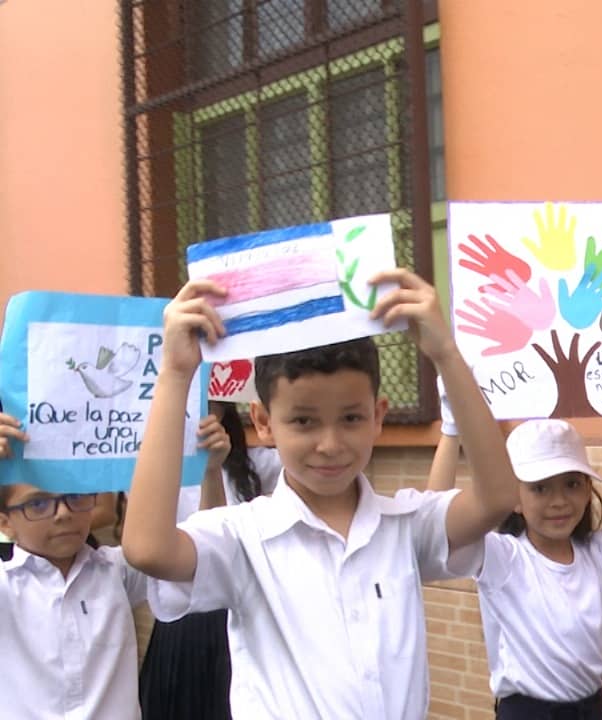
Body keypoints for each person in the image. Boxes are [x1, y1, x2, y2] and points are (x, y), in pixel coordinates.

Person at [122, 270, 520, 719]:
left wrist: (445, 352)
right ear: (263, 422)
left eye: (351, 418)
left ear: (378, 415)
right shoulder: (244, 539)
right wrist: (176, 373)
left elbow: (496, 497)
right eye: (304, 421)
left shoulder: (405, 525)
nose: (330, 445)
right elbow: (147, 548)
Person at [431, 377, 602, 718]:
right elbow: (434, 521)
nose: (559, 500)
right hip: (527, 712)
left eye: (572, 483)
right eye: (540, 488)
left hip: (592, 708)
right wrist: (451, 430)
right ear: (514, 497)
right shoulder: (503, 557)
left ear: (588, 489)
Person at [0, 409, 224, 719]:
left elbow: (204, 551)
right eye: (37, 503)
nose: (63, 513)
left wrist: (210, 472)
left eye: (76, 497)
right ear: (5, 523)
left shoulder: (116, 570)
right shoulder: (6, 585)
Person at [138, 400, 282, 719]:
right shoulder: (153, 467)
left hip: (239, 613)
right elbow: (199, 548)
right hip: (184, 617)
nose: (199, 405)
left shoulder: (253, 465)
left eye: (210, 398)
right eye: (190, 394)